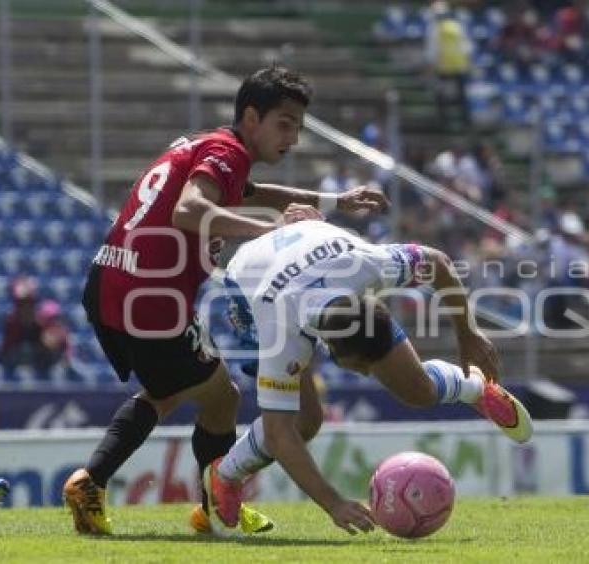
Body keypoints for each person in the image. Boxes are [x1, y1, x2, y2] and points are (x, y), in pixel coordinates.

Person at [62, 64, 389, 535]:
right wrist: (274, 229)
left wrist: (335, 201)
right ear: (251, 117)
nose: (293, 138)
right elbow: (190, 210)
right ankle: (209, 502)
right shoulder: (227, 153)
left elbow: (256, 193)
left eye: (298, 127)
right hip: (152, 299)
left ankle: (98, 482)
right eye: (285, 124)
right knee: (222, 398)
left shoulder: (212, 148)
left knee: (169, 390)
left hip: (109, 281)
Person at [200, 220, 533, 536]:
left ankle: (474, 386)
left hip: (312, 253)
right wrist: (333, 504)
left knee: (418, 389)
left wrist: (468, 335)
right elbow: (278, 433)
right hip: (249, 287)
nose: (364, 373)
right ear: (328, 345)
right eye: (361, 367)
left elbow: (438, 262)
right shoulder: (280, 331)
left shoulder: (368, 266)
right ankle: (224, 475)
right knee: (304, 421)